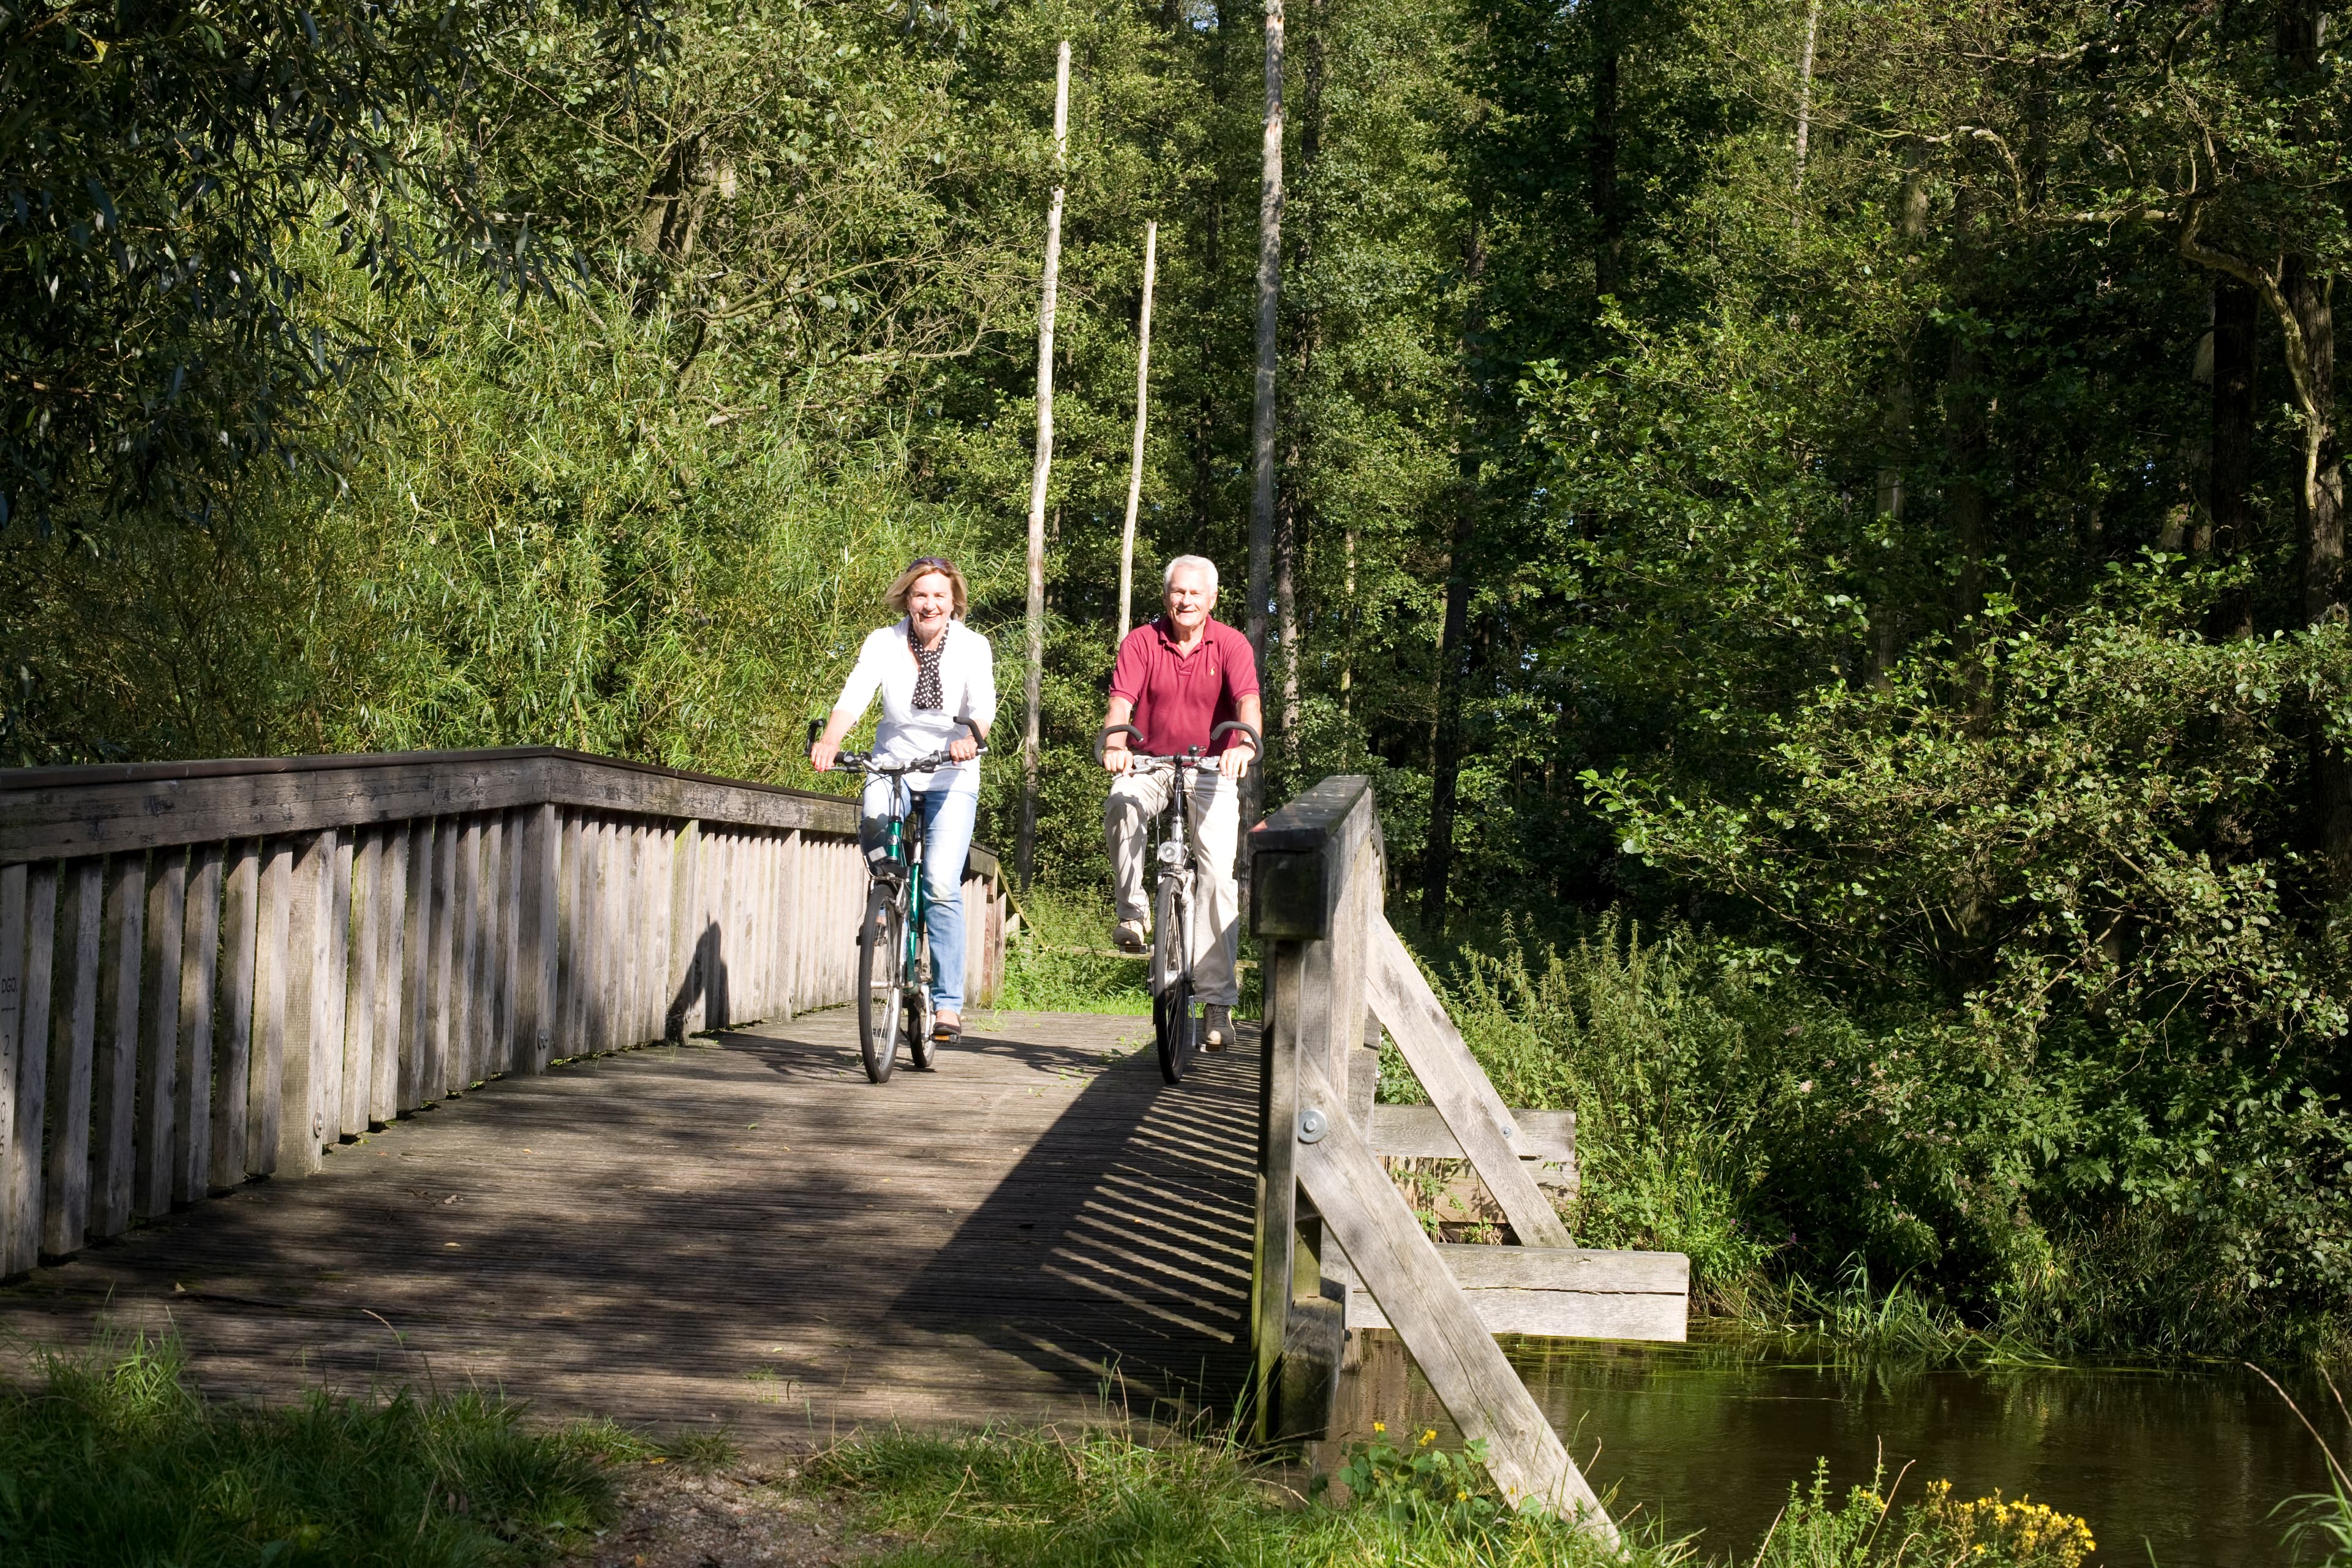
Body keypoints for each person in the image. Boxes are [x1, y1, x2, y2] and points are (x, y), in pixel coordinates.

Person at [810, 556, 995, 1046]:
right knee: (878, 843)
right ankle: (886, 909)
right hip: (892, 763)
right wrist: (831, 739)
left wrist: (971, 738)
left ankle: (949, 1005)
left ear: (954, 601)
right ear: (906, 599)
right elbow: (855, 695)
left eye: (939, 595)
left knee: (938, 882)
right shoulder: (884, 642)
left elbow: (982, 708)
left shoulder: (973, 647)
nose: (929, 603)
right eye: (920, 595)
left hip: (951, 770)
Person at [1100, 554, 1261, 1051]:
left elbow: (1248, 702)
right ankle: (1133, 914)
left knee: (1217, 876)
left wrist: (1245, 745)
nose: (1185, 601)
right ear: (1166, 595)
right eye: (1177, 592)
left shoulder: (1231, 643)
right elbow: (1121, 702)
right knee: (1121, 801)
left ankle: (1217, 1004)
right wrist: (1114, 743)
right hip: (1149, 762)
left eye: (1195, 593)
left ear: (1211, 599)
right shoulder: (1142, 642)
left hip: (1212, 768)